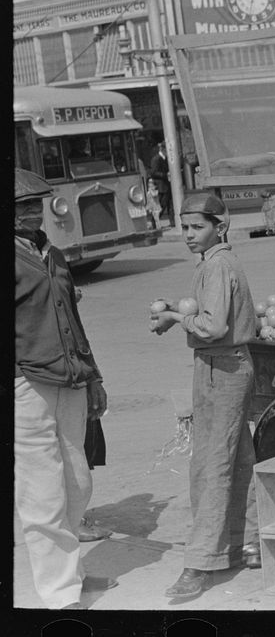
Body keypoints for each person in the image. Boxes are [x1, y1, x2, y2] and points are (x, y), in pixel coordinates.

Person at [14, 168, 118, 609]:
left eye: (36, 205)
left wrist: (92, 375)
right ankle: (59, 595)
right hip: (28, 384)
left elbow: (71, 320)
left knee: (77, 482)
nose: (33, 213)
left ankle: (68, 571)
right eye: (22, 207)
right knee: (42, 492)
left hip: (71, 378)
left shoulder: (51, 254)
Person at [149, 192, 261, 599]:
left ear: (221, 224)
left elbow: (212, 328)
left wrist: (175, 317)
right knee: (238, 455)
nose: (189, 235)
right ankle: (246, 541)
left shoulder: (218, 266)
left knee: (210, 467)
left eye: (198, 227)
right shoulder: (218, 263)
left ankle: (200, 563)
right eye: (184, 227)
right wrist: (180, 319)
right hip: (231, 365)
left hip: (221, 366)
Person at [149, 142, 173, 223]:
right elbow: (153, 172)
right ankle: (154, 221)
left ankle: (172, 222)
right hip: (160, 186)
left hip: (166, 185)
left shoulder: (166, 158)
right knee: (161, 205)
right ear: (163, 149)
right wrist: (165, 175)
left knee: (169, 204)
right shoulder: (156, 159)